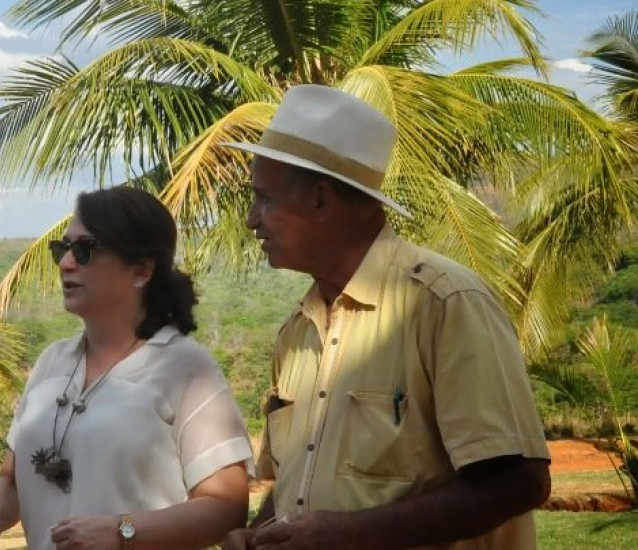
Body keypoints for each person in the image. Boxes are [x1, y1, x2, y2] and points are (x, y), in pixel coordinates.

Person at [222, 85, 551, 549]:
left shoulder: (445, 303)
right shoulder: (297, 331)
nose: (252, 219)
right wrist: (261, 533)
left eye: (264, 199)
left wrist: (356, 535)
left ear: (320, 200)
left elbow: (521, 482)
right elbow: (297, 481)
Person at [0, 186, 252, 550]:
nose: (66, 263)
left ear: (141, 270)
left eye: (85, 250)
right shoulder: (52, 362)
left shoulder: (185, 368)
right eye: (62, 248)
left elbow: (226, 508)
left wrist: (122, 532)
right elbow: (11, 480)